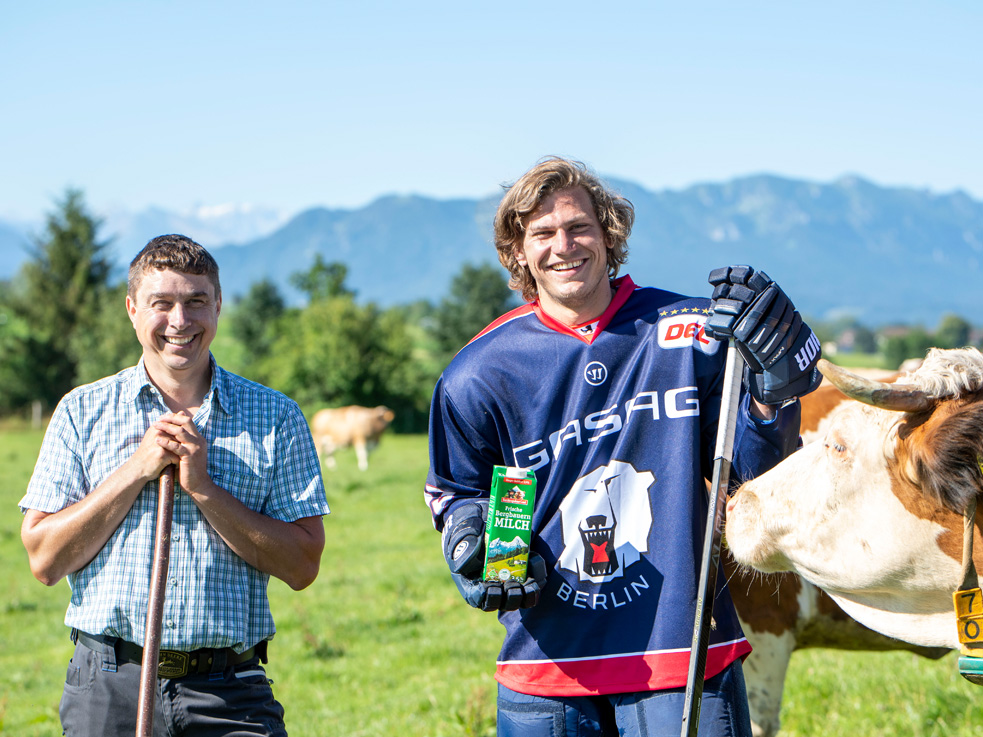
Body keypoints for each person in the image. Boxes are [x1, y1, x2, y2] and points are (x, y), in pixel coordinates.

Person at [425, 158, 822, 736]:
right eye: (542, 233)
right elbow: (456, 491)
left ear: (609, 235)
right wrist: (469, 540)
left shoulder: (693, 331)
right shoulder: (477, 371)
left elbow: (754, 474)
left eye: (579, 227)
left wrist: (771, 399)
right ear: (518, 251)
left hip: (682, 654)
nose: (564, 246)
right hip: (547, 668)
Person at [20, 234, 330, 736]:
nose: (180, 320)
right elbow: (44, 559)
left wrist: (204, 488)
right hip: (108, 687)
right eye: (161, 303)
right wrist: (136, 469)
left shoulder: (275, 417)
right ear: (132, 310)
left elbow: (302, 565)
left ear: (218, 305)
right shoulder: (82, 411)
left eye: (196, 301)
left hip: (229, 691)